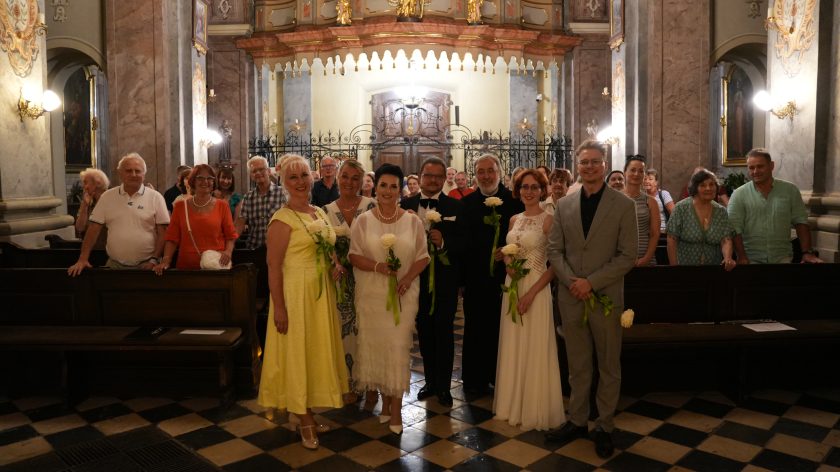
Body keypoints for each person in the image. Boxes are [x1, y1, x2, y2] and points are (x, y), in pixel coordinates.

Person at [545, 140, 637, 458]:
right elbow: (554, 249)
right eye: (583, 162)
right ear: (577, 165)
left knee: (608, 364)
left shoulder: (623, 205)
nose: (589, 167)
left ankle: (605, 426)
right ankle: (578, 419)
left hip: (605, 295)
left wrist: (591, 283)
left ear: (604, 163)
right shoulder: (564, 205)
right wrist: (573, 282)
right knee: (578, 363)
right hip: (571, 296)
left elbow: (628, 256)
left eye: (595, 162)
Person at [258, 155, 348, 450]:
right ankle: (304, 418)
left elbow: (326, 247)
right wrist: (279, 307)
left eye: (304, 175)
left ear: (313, 177)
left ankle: (305, 409)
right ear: (283, 182)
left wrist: (334, 264)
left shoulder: (319, 212)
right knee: (297, 353)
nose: (300, 182)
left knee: (313, 352)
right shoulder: (281, 219)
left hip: (319, 295)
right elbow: (273, 266)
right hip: (295, 295)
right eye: (293, 177)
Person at [349, 163, 429, 434]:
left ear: (401, 190)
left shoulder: (412, 220)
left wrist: (406, 278)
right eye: (383, 185)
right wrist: (379, 267)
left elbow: (422, 256)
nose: (387, 191)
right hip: (371, 295)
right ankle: (384, 402)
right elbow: (354, 255)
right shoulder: (363, 220)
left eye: (394, 186)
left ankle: (396, 410)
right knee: (379, 347)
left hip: (403, 295)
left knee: (397, 347)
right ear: (375, 186)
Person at [493, 169, 564, 431]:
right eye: (524, 186)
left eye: (535, 187)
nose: (529, 191)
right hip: (513, 285)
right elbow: (512, 251)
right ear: (518, 189)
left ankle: (535, 408)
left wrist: (532, 293)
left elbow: (555, 265)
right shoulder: (513, 220)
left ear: (542, 190)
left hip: (536, 286)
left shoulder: (549, 220)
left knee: (534, 345)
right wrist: (507, 261)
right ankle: (512, 404)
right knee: (514, 342)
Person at [459, 154, 524, 395]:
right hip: (475, 278)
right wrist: (462, 281)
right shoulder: (467, 204)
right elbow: (463, 244)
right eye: (481, 172)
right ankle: (475, 378)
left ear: (499, 171)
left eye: (490, 171)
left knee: (502, 327)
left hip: (505, 277)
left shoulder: (514, 202)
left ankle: (500, 377)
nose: (485, 176)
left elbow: (523, 238)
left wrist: (508, 252)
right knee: (475, 327)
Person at [401, 157, 463, 407]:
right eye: (429, 175)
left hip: (445, 281)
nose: (434, 180)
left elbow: (464, 243)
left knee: (444, 332)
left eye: (438, 176)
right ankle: (429, 381)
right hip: (416, 281)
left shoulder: (455, 207)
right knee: (424, 332)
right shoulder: (406, 205)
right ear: (420, 175)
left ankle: (444, 386)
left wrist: (444, 243)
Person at [323, 160, 376, 405]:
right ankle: (348, 384)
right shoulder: (324, 211)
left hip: (369, 280)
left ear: (363, 181)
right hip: (341, 282)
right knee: (345, 334)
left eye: (355, 178)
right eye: (345, 176)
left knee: (369, 332)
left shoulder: (372, 207)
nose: (349, 182)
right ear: (337, 177)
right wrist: (334, 264)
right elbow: (322, 247)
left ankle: (372, 383)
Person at [68, 153, 169, 276]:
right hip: (114, 266)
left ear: (144, 174)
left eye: (138, 171)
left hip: (148, 266)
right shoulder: (107, 197)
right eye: (128, 171)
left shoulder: (156, 197)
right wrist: (83, 259)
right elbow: (93, 229)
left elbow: (163, 232)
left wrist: (155, 259)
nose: (133, 174)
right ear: (120, 173)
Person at [728, 148, 822, 264]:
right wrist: (741, 256)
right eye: (751, 168)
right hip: (750, 260)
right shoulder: (739, 194)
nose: (755, 171)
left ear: (771, 166)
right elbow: (734, 229)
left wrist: (807, 253)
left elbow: (801, 222)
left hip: (783, 259)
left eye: (760, 166)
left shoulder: (790, 190)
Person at [155, 165, 238, 272]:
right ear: (193, 181)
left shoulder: (222, 205)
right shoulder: (180, 206)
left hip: (215, 266)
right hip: (187, 267)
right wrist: (166, 261)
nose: (205, 181)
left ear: (214, 183)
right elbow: (172, 238)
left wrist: (228, 252)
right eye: (200, 178)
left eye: (210, 178)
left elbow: (230, 235)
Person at [666, 169, 736, 269]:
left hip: (713, 269)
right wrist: (674, 267)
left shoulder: (721, 211)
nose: (708, 188)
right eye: (703, 185)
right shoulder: (681, 208)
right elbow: (671, 240)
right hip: (685, 269)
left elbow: (726, 239)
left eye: (712, 185)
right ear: (695, 188)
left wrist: (727, 257)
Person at [236, 156, 286, 250]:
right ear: (251, 176)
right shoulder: (248, 197)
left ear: (268, 171)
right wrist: (229, 246)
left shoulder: (283, 193)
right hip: (254, 249)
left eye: (261, 169)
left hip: (279, 250)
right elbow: (240, 223)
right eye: (254, 171)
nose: (258, 173)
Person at [623, 155, 660, 266]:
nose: (636, 174)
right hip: (620, 260)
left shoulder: (651, 201)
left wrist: (646, 258)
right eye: (633, 170)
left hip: (645, 259)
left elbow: (655, 233)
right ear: (625, 172)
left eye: (641, 171)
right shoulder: (615, 199)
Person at [74, 168, 110, 248]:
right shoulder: (88, 203)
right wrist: (84, 206)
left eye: (86, 182)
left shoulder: (111, 199)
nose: (84, 187)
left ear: (97, 183)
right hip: (91, 249)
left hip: (108, 250)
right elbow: (79, 228)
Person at [645, 168, 675, 233]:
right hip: (646, 232)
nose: (647, 181)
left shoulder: (664, 194)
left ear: (656, 182)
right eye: (645, 179)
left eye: (650, 179)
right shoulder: (641, 197)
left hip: (663, 231)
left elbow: (673, 213)